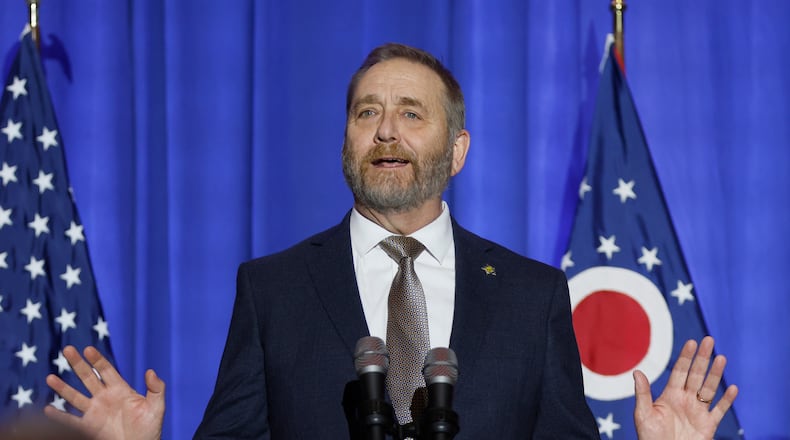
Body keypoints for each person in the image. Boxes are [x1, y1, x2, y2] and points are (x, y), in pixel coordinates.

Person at [44, 43, 738, 439]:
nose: (386, 131)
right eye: (367, 112)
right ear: (345, 142)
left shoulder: (535, 295)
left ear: (457, 150)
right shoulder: (272, 289)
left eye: (412, 113)